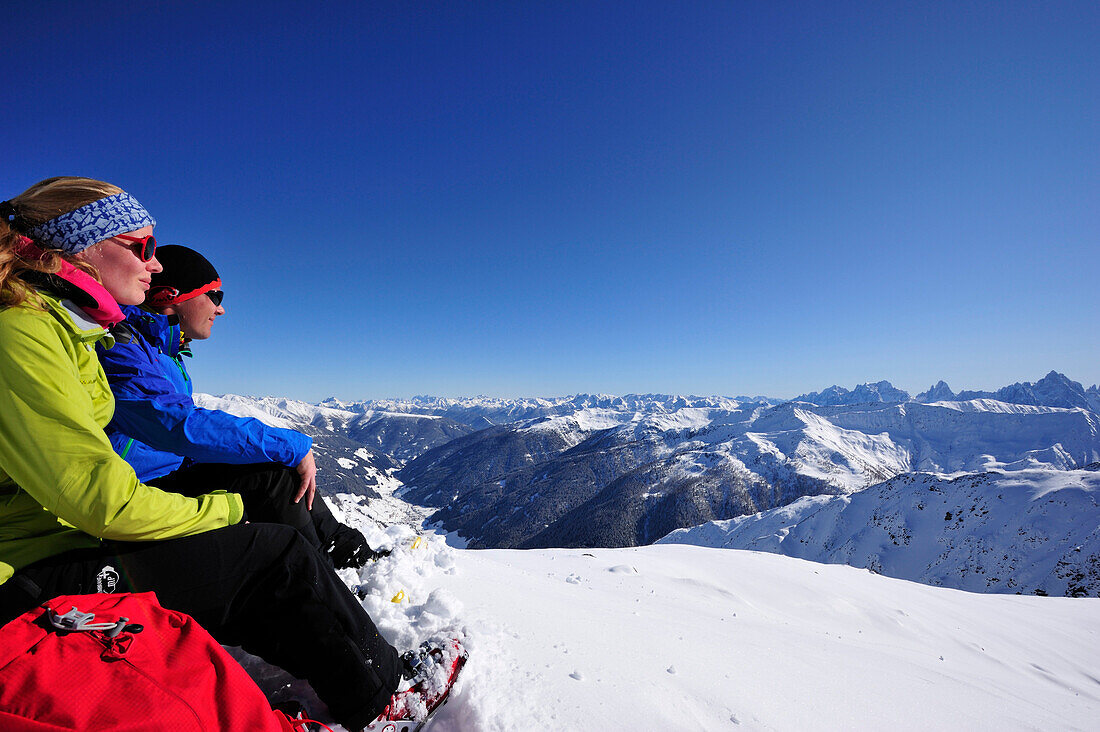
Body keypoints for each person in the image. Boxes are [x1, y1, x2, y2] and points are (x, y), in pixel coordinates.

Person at [0, 177, 408, 731]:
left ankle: (327, 612)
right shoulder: (25, 334)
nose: (156, 263)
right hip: (30, 569)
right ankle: (385, 704)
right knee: (273, 552)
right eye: (140, 246)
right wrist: (227, 508)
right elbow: (131, 467)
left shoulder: (71, 334)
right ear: (78, 249)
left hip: (60, 537)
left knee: (268, 524)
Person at [98, 244, 377, 568]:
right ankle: (322, 574)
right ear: (170, 296)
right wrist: (290, 444)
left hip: (169, 476)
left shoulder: (163, 353)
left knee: (274, 467)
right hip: (139, 489)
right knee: (272, 476)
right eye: (215, 296)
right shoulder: (121, 346)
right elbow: (174, 423)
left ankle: (346, 552)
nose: (221, 310)